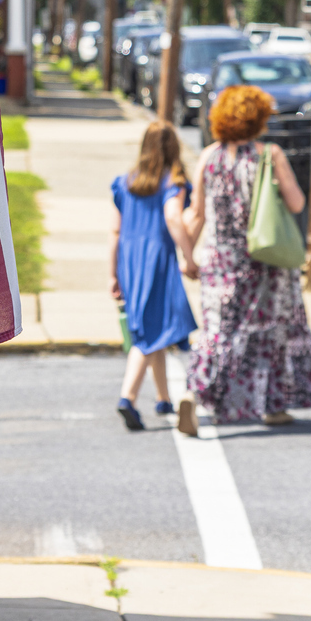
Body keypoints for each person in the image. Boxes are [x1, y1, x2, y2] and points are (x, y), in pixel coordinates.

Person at [183, 84, 311, 426]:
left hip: (219, 261)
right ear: (257, 120)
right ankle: (273, 405)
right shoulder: (269, 155)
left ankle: (194, 393)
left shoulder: (209, 157)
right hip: (264, 262)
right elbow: (297, 203)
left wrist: (187, 256)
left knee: (217, 331)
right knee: (271, 333)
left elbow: (196, 213)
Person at [109, 120, 199, 432]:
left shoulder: (125, 182)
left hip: (129, 261)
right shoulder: (173, 182)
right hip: (157, 259)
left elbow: (116, 231)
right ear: (174, 147)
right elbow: (173, 217)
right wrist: (189, 256)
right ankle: (128, 398)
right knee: (147, 334)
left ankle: (163, 399)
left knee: (153, 323)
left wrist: (113, 274)